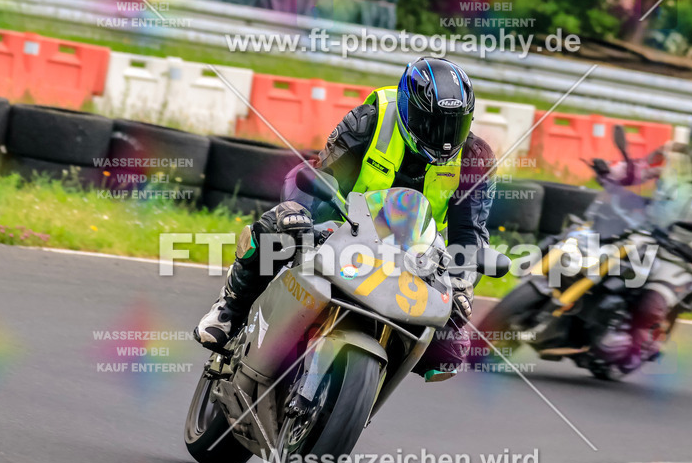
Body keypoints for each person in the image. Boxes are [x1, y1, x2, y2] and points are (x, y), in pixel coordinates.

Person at [194, 57, 497, 382]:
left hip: (415, 254)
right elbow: (326, 172)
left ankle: (364, 382)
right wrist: (302, 213)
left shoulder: (476, 158)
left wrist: (461, 282)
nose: (444, 137)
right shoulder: (371, 120)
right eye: (432, 124)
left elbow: (470, 232)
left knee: (449, 348)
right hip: (342, 225)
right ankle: (231, 307)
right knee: (279, 226)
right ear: (408, 108)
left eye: (454, 126)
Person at [597, 112, 692, 371]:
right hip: (645, 234)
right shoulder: (672, 155)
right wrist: (612, 173)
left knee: (651, 302)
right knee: (596, 264)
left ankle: (638, 345)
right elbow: (640, 169)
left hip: (683, 254)